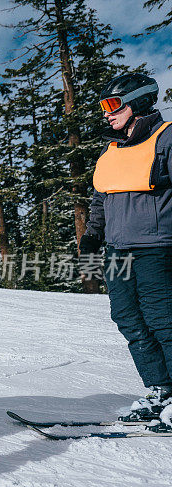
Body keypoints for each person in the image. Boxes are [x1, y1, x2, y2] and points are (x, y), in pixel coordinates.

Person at [79, 73, 172, 422]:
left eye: (113, 105)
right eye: (103, 107)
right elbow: (101, 199)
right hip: (118, 252)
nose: (106, 113)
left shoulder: (167, 139)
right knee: (128, 319)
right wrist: (91, 238)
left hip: (157, 247)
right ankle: (160, 391)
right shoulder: (111, 151)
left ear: (140, 102)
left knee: (163, 319)